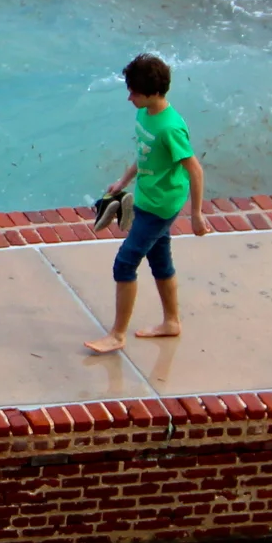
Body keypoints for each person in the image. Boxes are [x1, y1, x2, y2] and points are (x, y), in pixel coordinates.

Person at [85, 53, 207, 354]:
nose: (129, 98)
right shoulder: (144, 115)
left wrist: (196, 214)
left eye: (134, 93)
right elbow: (145, 154)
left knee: (125, 263)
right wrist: (123, 182)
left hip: (161, 205)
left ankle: (117, 334)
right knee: (160, 260)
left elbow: (195, 168)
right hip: (146, 197)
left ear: (153, 93)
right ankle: (172, 322)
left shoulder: (170, 128)